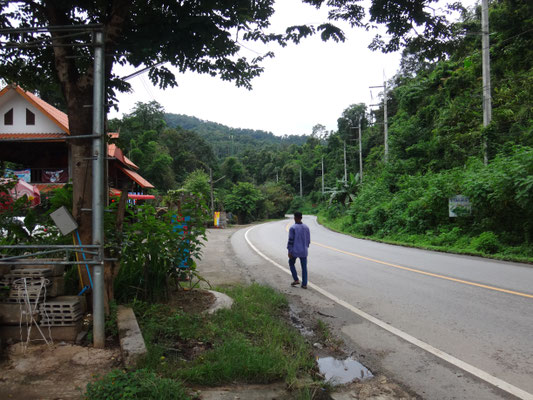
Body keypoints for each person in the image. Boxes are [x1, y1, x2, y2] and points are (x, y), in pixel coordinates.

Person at [287, 211, 311, 289]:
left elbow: (291, 240)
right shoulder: (306, 227)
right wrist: (305, 247)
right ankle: (304, 284)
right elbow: (308, 241)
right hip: (304, 251)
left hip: (295, 250)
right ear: (301, 217)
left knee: (291, 263)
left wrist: (289, 251)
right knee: (304, 267)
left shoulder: (293, 228)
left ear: (294, 218)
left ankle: (296, 279)